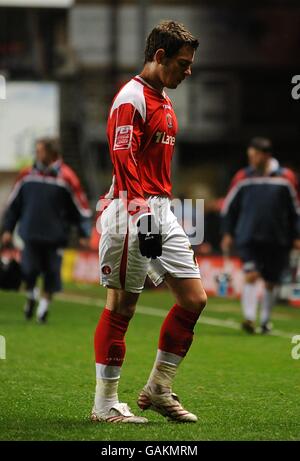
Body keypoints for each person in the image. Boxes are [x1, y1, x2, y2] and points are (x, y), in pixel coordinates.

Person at [92, 20, 207, 424]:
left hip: (162, 208)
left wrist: (157, 214)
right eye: (183, 63)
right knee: (122, 307)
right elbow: (123, 160)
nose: (188, 71)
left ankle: (158, 388)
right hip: (131, 210)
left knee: (194, 300)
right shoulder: (131, 99)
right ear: (159, 57)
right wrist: (142, 216)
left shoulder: (164, 98)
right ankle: (105, 405)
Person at [1, 137, 92, 323]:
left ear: (51, 153)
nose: (37, 154)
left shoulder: (67, 177)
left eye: (40, 150)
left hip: (55, 237)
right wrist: (8, 229)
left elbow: (80, 207)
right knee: (29, 271)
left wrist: (84, 232)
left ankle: (43, 311)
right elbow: (14, 206)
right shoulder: (26, 175)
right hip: (30, 234)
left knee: (51, 275)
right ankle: (31, 297)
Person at [221, 137, 300, 334]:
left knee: (271, 282)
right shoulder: (242, 177)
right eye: (250, 156)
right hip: (248, 236)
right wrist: (227, 233)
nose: (252, 159)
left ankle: (265, 321)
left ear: (266, 155)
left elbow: (296, 210)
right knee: (251, 274)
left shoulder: (286, 178)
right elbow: (229, 208)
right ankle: (248, 318)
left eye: (255, 155)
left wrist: (297, 235)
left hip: (278, 238)